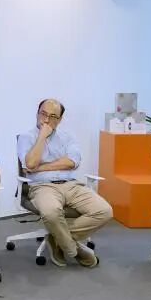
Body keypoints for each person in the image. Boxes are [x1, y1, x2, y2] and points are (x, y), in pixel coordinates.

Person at [17, 99, 112, 268]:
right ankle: (73, 249)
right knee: (51, 212)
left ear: (59, 120)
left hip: (71, 184)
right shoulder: (26, 137)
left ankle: (57, 238)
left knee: (104, 211)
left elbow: (72, 162)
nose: (46, 120)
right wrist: (42, 136)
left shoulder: (68, 137)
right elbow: (30, 164)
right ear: (37, 113)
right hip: (42, 187)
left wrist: (41, 167)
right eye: (43, 114)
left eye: (53, 116)